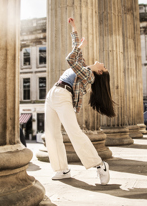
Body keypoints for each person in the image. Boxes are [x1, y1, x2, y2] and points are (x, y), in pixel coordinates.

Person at [44, 17, 115, 185]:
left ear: (99, 73)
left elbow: (70, 59)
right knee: (51, 134)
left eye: (103, 67)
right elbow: (76, 53)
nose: (102, 64)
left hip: (63, 95)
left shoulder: (88, 75)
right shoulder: (85, 67)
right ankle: (62, 169)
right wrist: (74, 29)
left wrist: (80, 48)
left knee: (74, 132)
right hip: (52, 93)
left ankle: (99, 164)